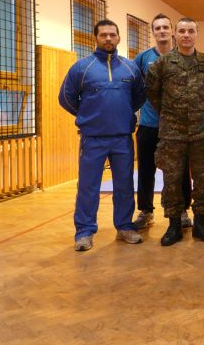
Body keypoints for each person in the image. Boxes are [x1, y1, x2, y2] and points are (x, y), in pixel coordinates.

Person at [59, 19, 146, 251]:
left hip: (122, 138)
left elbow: (139, 97)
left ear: (119, 38)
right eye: (103, 35)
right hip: (93, 138)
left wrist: (123, 113)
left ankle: (124, 227)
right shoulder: (81, 68)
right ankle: (84, 232)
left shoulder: (130, 68)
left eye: (112, 35)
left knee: (124, 185)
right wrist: (87, 115)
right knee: (88, 187)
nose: (108, 38)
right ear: (95, 38)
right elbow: (65, 98)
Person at [145, 17, 204, 246]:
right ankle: (174, 223)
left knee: (203, 179)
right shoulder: (162, 63)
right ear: (175, 35)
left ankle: (200, 222)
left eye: (191, 31)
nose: (186, 35)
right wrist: (170, 112)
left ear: (197, 34)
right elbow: (152, 93)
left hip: (201, 132)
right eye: (182, 31)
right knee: (172, 179)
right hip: (172, 133)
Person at [133, 14, 192, 230]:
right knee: (145, 169)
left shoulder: (183, 57)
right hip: (149, 125)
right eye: (157, 28)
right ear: (153, 32)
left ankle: (183, 209)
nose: (162, 31)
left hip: (177, 127)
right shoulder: (143, 58)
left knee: (180, 170)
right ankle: (146, 210)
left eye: (165, 27)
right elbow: (134, 89)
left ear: (172, 31)